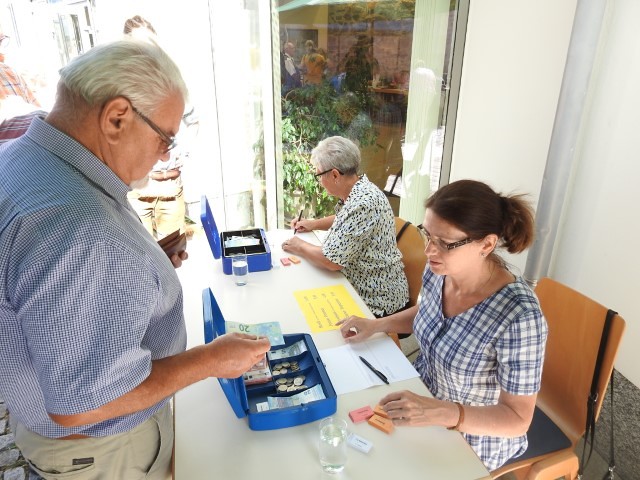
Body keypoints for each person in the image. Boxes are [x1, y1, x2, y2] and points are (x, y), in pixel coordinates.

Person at [0, 39, 270, 479]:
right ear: (117, 118)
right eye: (165, 137)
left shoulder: (22, 157)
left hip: (54, 435)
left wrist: (141, 264)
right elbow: (82, 403)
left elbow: (45, 284)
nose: (166, 154)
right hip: (104, 451)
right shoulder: (79, 227)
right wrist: (210, 359)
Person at [337, 179, 548, 471]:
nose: (428, 251)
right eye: (427, 234)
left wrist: (441, 412)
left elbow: (517, 420)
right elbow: (428, 313)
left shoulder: (519, 317)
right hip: (420, 398)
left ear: (487, 244)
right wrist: (377, 325)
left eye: (445, 243)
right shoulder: (441, 270)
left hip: (470, 438)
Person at [282, 136, 409, 318]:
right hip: (359, 284)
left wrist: (299, 245)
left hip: (376, 299)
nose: (319, 181)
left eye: (319, 175)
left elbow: (331, 261)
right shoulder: (359, 189)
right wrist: (314, 224)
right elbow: (346, 218)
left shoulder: (363, 203)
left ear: (334, 175)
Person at [123, 15, 193, 240]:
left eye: (150, 44)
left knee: (172, 253)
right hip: (136, 189)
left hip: (169, 184)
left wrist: (181, 152)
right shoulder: (120, 87)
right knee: (139, 252)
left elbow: (193, 118)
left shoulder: (172, 81)